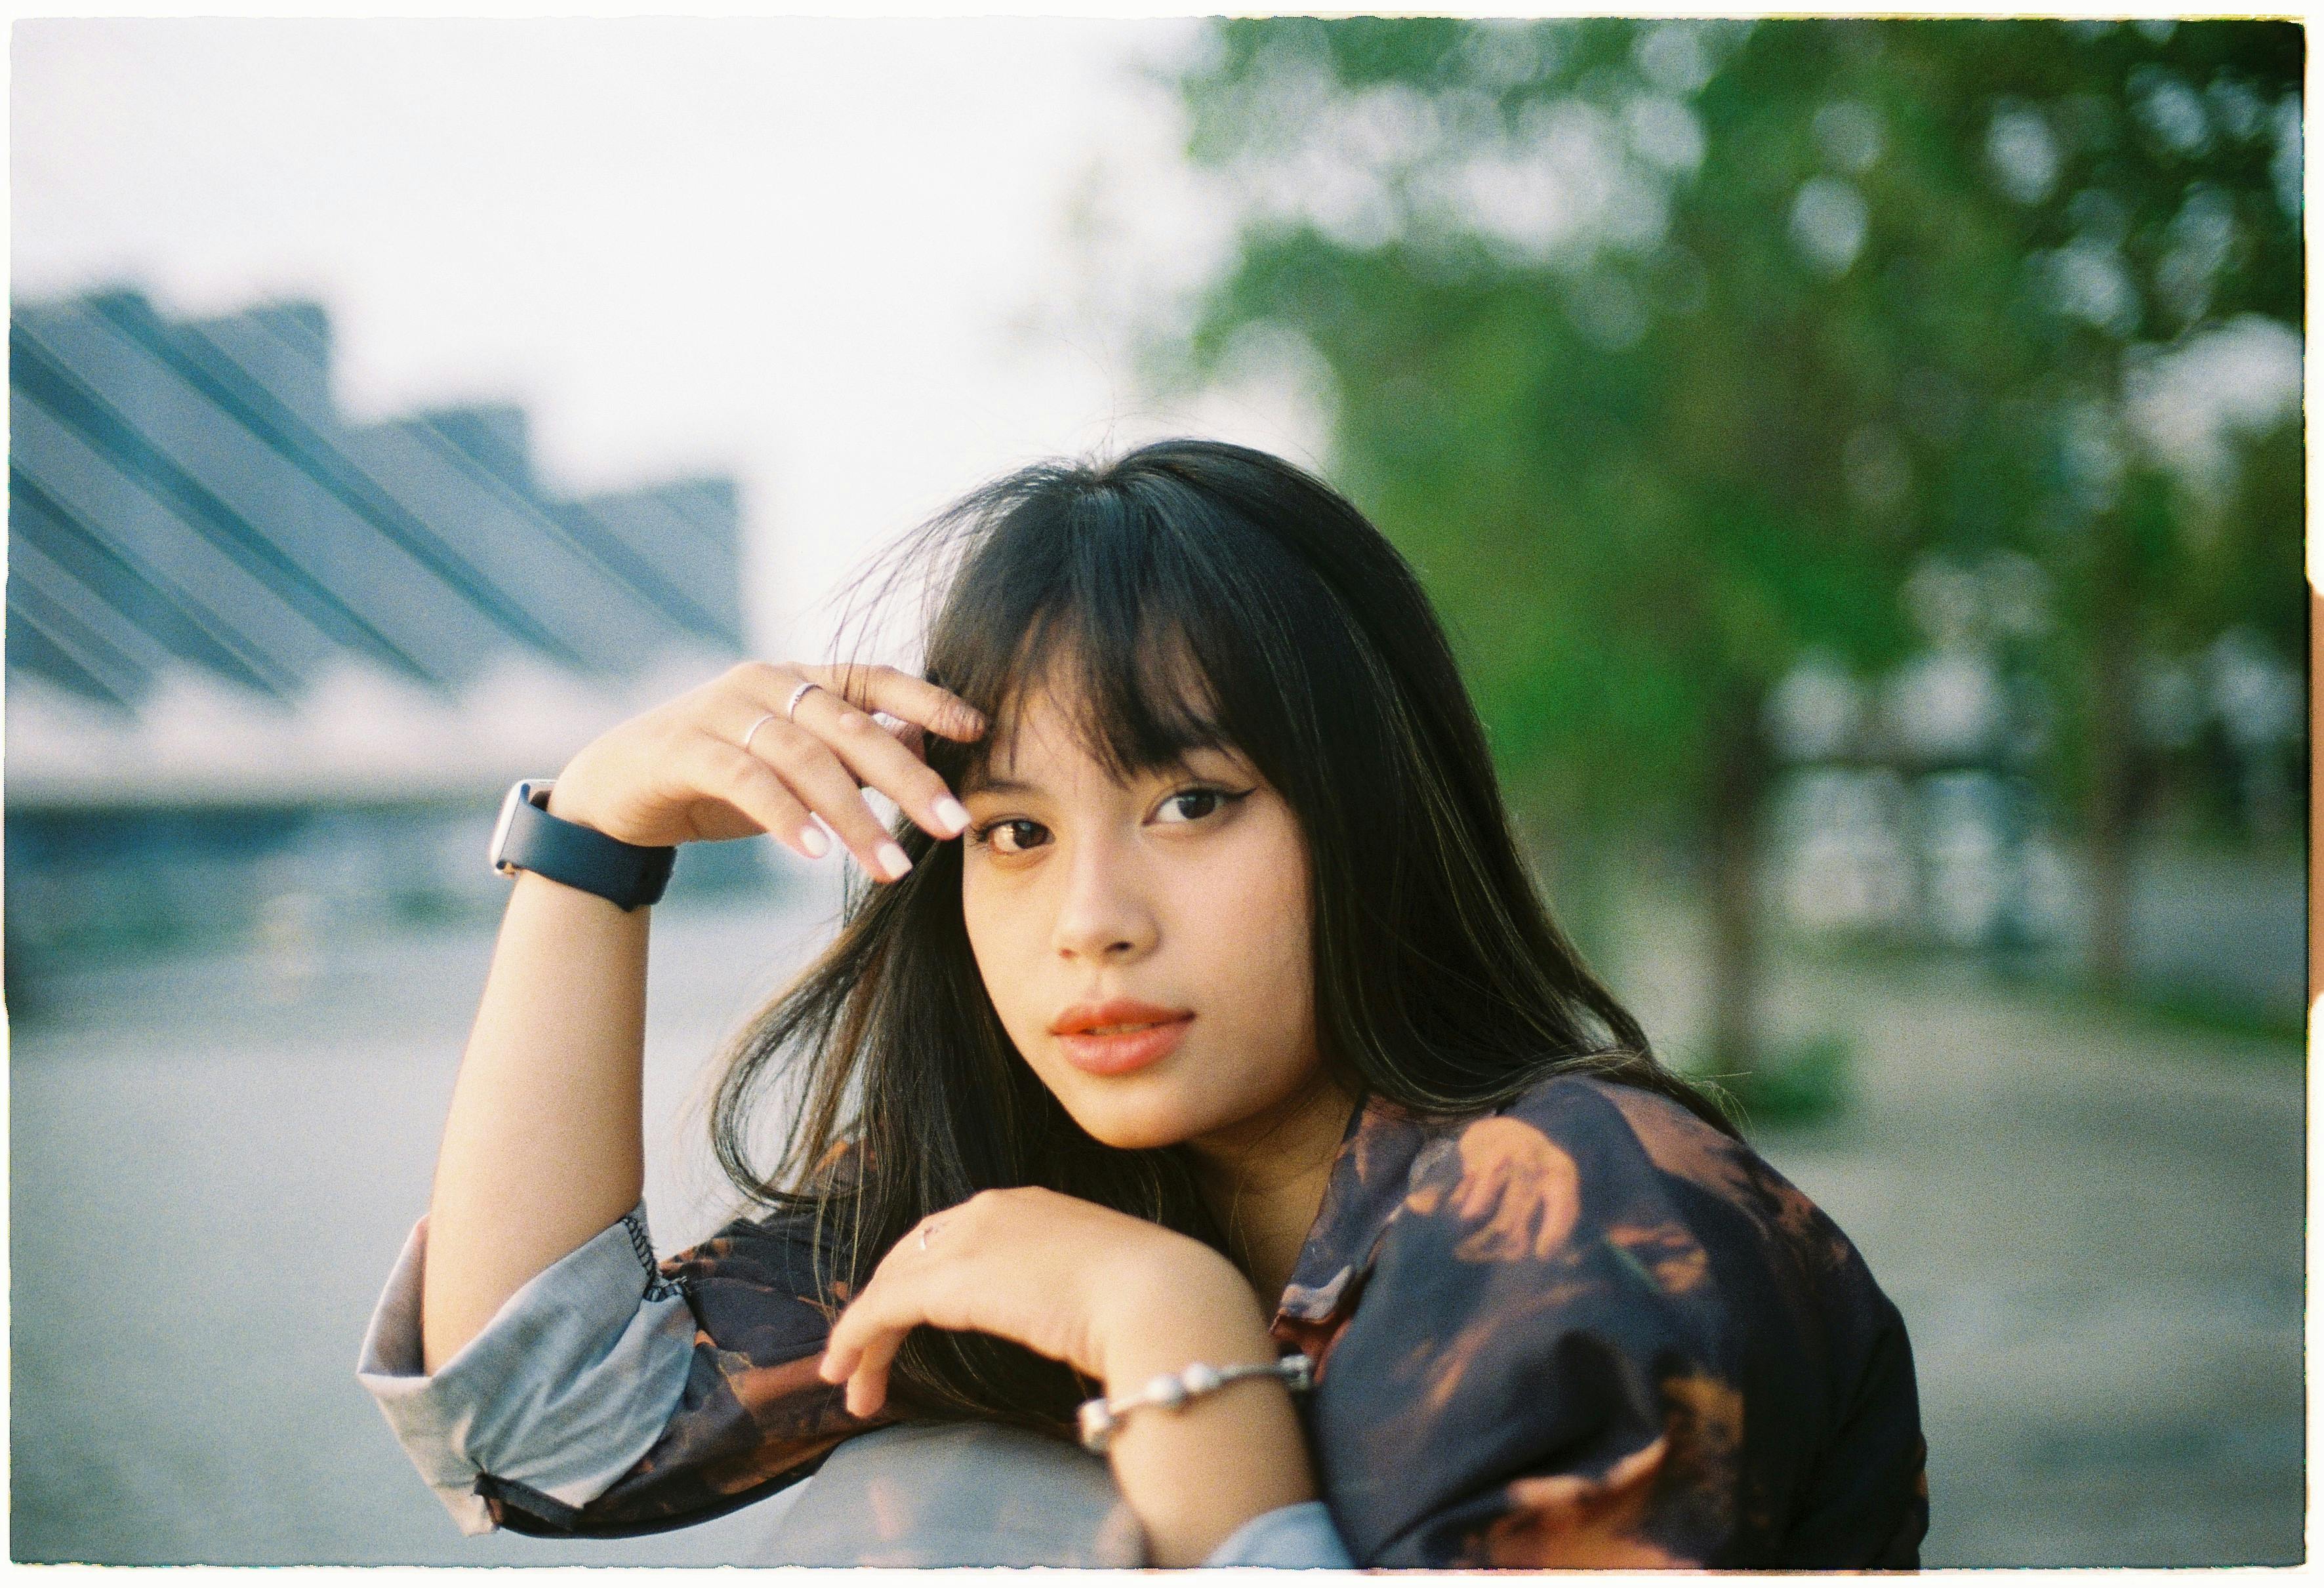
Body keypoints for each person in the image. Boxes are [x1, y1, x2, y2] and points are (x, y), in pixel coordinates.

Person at [358, 439, 1928, 1568]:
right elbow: (544, 1424)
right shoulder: (1026, 1200)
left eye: (1190, 803)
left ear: (1369, 812)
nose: (1090, 925)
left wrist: (1171, 1347)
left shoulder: (1579, 1205)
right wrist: (592, 841)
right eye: (1017, 834)